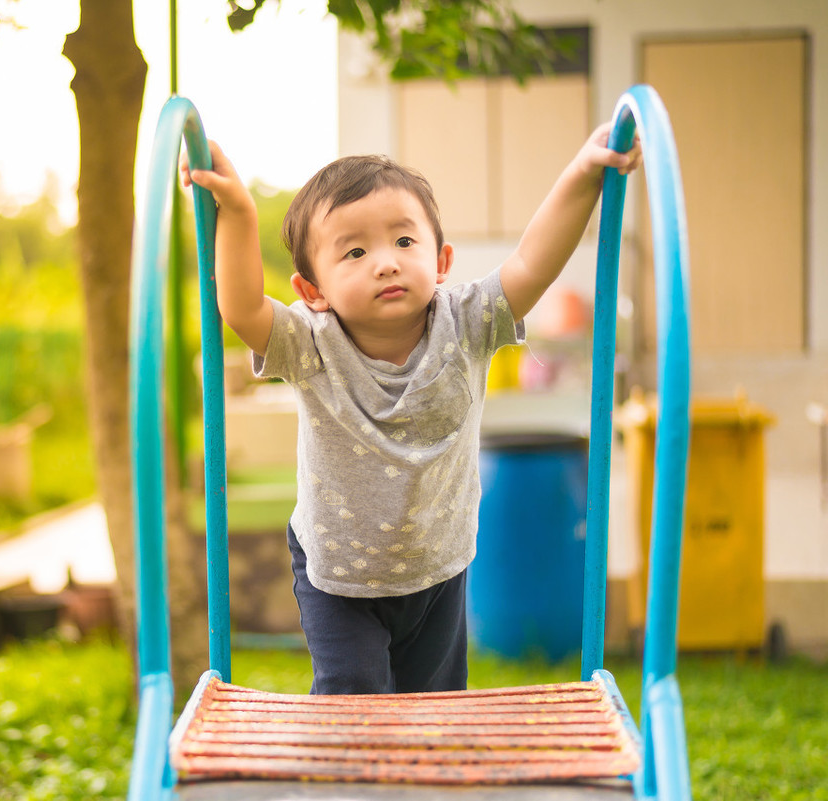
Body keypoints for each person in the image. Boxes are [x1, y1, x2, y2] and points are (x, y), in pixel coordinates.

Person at [182, 124, 641, 695]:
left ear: (441, 259)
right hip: (338, 578)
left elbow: (532, 263)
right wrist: (239, 212)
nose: (385, 263)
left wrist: (581, 177)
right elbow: (243, 307)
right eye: (354, 251)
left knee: (434, 711)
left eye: (404, 242)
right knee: (355, 701)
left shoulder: (468, 323)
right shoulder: (310, 344)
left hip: (438, 568)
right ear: (312, 290)